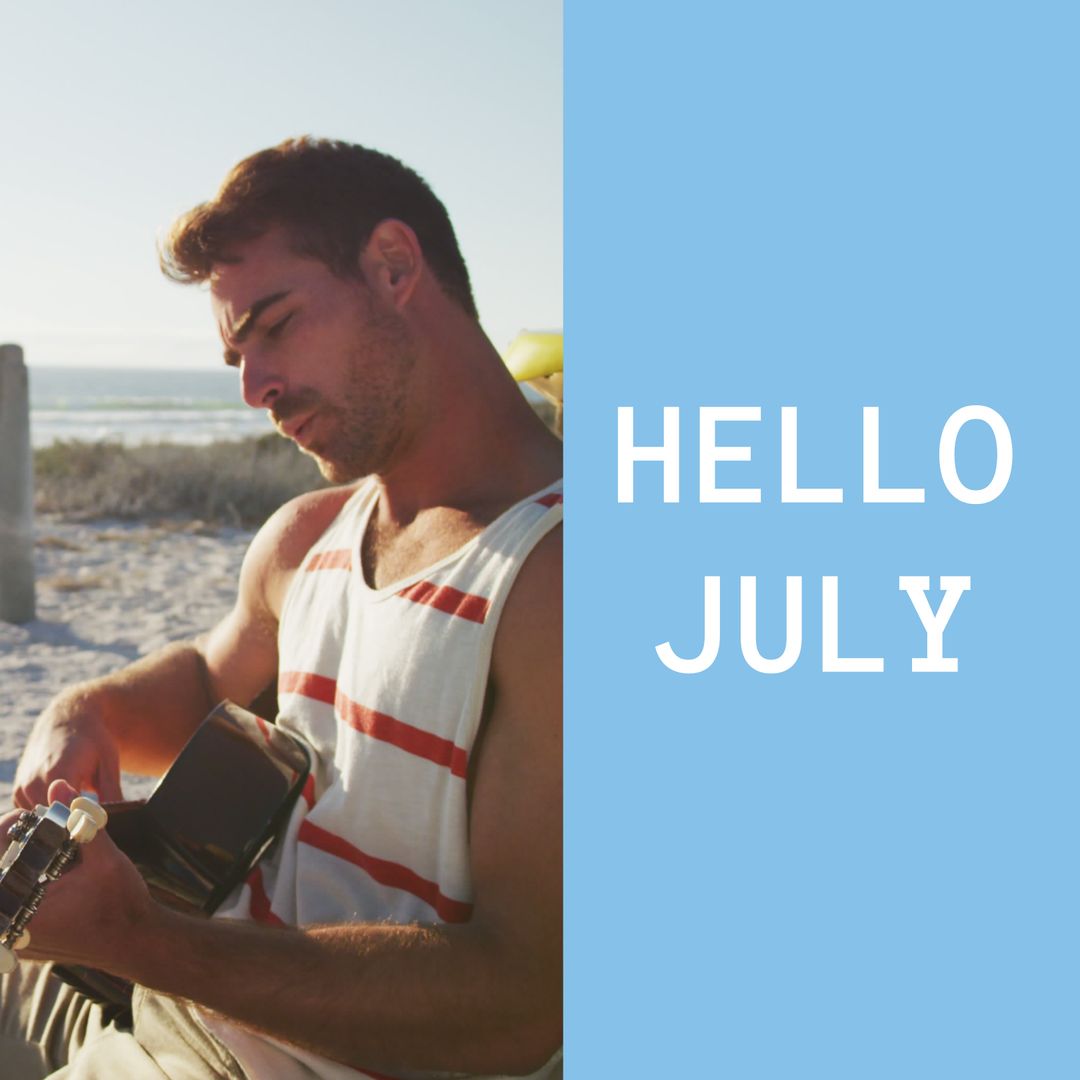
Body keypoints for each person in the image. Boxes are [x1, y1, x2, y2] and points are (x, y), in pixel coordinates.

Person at [2, 137, 563, 1079]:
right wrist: (79, 712)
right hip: (168, 992)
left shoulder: (554, 579)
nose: (254, 389)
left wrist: (134, 938)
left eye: (275, 325)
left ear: (394, 265)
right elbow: (202, 682)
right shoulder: (308, 537)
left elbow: (524, 1004)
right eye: (235, 353)